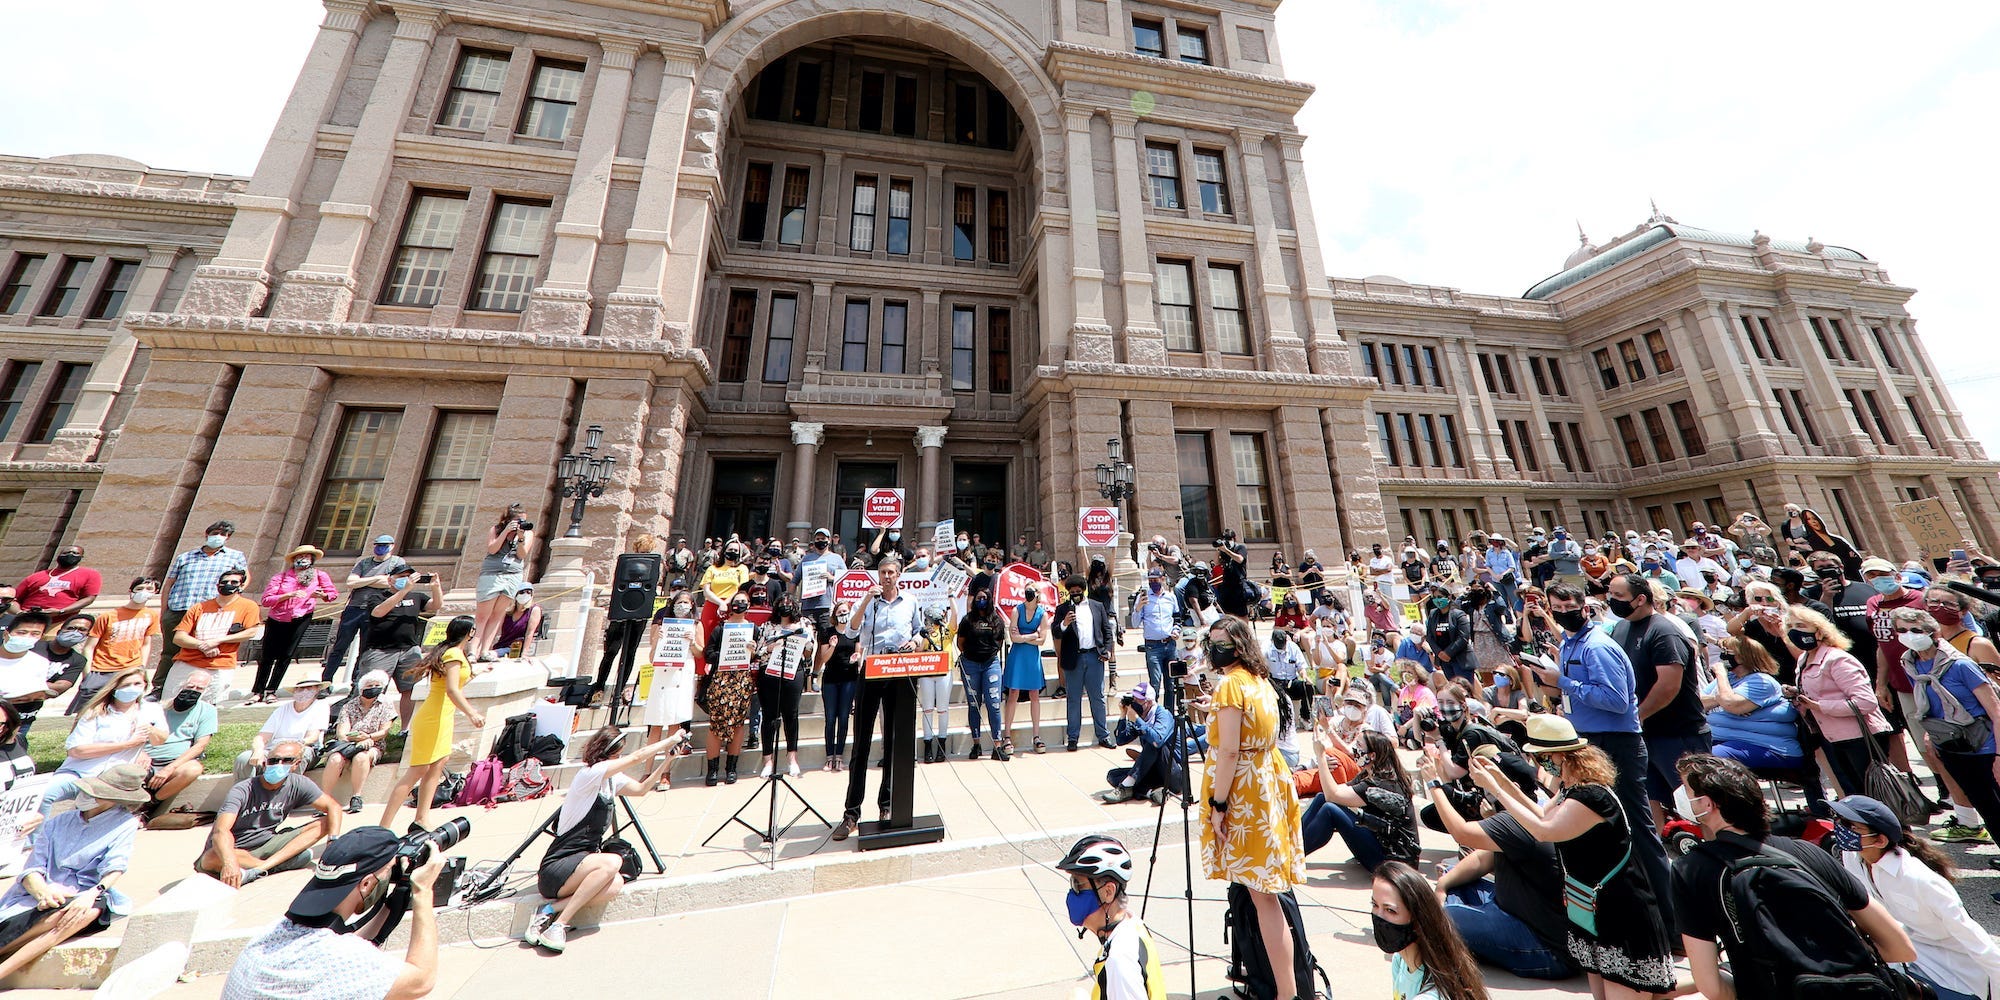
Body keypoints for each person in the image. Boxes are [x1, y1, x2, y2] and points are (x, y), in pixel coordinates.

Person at [1669, 755, 1916, 1000]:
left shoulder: (1691, 869)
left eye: (1689, 791)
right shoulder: (1808, 853)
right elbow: (1900, 948)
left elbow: (1711, 986)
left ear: (1707, 804)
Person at [1475, 715, 1675, 999]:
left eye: (1542, 757)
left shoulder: (1592, 797)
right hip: (1591, 909)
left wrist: (1496, 789)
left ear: (1561, 757)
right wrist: (1502, 782)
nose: (1538, 764)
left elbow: (1544, 831)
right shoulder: (1570, 790)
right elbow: (1540, 814)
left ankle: (1720, 985)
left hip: (1620, 912)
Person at [1200, 617, 1306, 1000]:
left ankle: (1285, 992)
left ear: (1238, 645)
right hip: (1267, 781)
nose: (1215, 649)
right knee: (1267, 894)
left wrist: (1218, 803)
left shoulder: (1230, 685)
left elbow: (1229, 750)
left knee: (1264, 897)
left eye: (1221, 642)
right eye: (1211, 641)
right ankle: (1287, 988)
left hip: (1244, 794)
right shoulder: (1259, 680)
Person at [220, 825, 444, 1000]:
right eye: (388, 871)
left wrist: (396, 898)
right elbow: (421, 980)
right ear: (366, 884)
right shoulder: (343, 956)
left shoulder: (270, 934)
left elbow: (341, 952)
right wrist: (423, 890)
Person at [1418, 752, 1574, 980]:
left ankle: (1453, 930)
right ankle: (1459, 923)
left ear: (1511, 787)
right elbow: (1483, 859)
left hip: (1545, 949)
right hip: (1514, 911)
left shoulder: (1517, 821)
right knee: (1452, 880)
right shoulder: (1537, 813)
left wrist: (1434, 784)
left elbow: (1461, 832)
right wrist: (1442, 886)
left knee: (1439, 915)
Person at [525, 727, 681, 954]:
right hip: (558, 867)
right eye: (617, 754)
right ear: (607, 752)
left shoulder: (611, 780)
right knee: (612, 862)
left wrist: (667, 760)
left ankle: (548, 910)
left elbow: (640, 789)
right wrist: (670, 740)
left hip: (582, 864)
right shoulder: (590, 774)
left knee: (616, 882)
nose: (619, 758)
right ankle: (559, 924)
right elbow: (638, 757)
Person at [1832, 795, 2000, 1000]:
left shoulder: (1921, 880)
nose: (1840, 828)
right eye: (1838, 820)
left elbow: (1977, 942)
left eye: (1851, 826)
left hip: (1950, 973)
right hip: (1898, 961)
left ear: (1880, 840)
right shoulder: (1853, 857)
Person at [0, 763, 148, 981]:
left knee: (85, 913)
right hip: (40, 894)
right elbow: (32, 868)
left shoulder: (124, 824)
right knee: (58, 912)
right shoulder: (59, 822)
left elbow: (116, 866)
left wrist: (92, 894)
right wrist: (43, 892)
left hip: (84, 894)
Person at [1606, 572, 1709, 825]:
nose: (1612, 600)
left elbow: (1667, 686)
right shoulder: (1621, 628)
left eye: (1619, 596)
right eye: (1610, 594)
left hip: (1678, 734)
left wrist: (1638, 715)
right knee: (1649, 800)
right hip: (1644, 734)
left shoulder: (1664, 632)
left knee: (1698, 805)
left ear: (1640, 599)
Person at [832, 557, 924, 841]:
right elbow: (850, 631)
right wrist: (863, 601)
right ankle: (851, 813)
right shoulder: (869, 601)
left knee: (894, 742)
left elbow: (919, 632)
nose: (886, 577)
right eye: (882, 572)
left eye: (891, 573)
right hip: (871, 672)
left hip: (899, 671)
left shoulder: (910, 601)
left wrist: (916, 642)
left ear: (898, 576)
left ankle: (887, 806)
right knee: (861, 744)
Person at [1895, 607, 2000, 840]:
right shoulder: (1910, 663)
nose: (1909, 634)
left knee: (1996, 802)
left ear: (1933, 633)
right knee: (1984, 804)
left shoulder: (1960, 665)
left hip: (1984, 746)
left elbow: (1996, 711)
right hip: (1950, 744)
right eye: (1902, 630)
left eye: (1915, 630)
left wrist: (1999, 757)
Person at [380, 617, 486, 833]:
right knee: (417, 770)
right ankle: (384, 826)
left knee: (436, 766)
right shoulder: (454, 654)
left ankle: (422, 817)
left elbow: (453, 684)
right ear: (470, 632)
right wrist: (472, 713)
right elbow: (451, 690)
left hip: (442, 716)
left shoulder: (453, 653)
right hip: (434, 717)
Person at [197, 738, 342, 886]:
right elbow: (221, 831)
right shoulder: (243, 789)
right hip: (234, 848)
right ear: (266, 763)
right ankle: (280, 863)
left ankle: (259, 869)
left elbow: (333, 807)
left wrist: (332, 842)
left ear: (296, 764)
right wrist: (229, 862)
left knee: (325, 823)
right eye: (274, 760)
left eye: (286, 760)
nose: (278, 764)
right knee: (211, 857)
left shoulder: (298, 783)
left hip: (268, 843)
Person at [1784, 604, 1892, 796]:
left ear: (1819, 631)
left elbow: (1866, 702)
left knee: (1875, 792)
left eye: (1801, 625)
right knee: (1853, 790)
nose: (1794, 630)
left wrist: (1820, 706)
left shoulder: (1837, 659)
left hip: (1859, 737)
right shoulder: (1803, 659)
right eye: (1790, 626)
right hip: (1830, 736)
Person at [33, 667, 166, 818]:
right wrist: (127, 745)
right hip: (79, 773)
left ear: (145, 685)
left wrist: (150, 731)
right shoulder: (95, 711)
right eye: (125, 685)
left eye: (137, 684)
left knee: (89, 817)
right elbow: (77, 750)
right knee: (43, 795)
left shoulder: (151, 710)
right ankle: (35, 841)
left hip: (113, 781)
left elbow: (160, 740)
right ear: (114, 688)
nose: (132, 689)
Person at [1705, 636, 1822, 808]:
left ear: (1744, 656)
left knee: (1708, 760)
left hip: (1771, 748)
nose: (1723, 657)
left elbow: (1732, 704)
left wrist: (1721, 677)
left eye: (1728, 652)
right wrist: (1720, 697)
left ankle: (1739, 811)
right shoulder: (1730, 680)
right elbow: (1698, 701)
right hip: (1734, 741)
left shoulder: (1761, 681)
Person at [1055, 835, 1167, 1000]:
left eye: (1078, 885)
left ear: (1108, 892)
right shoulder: (1131, 923)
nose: (1072, 893)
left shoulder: (1120, 961)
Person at [1370, 861, 1493, 1000]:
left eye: (1390, 910)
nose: (1379, 917)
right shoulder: (1401, 960)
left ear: (1417, 917)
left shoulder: (1430, 995)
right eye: (1374, 904)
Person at [1302, 727, 1418, 870]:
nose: (1354, 749)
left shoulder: (1380, 783)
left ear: (1372, 755)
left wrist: (1320, 757)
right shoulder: (1369, 774)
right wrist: (1325, 764)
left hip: (1394, 862)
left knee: (1330, 810)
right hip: (1379, 842)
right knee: (1321, 798)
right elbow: (1332, 793)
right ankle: (1292, 847)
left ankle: (1293, 857)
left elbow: (1333, 795)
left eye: (1359, 745)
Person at [156, 520, 249, 687]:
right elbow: (169, 583)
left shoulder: (235, 556)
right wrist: (164, 611)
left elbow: (244, 578)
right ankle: (160, 686)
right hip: (180, 607)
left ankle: (193, 687)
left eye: (223, 534)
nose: (218, 537)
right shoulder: (185, 557)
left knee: (203, 650)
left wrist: (233, 598)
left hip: (209, 612)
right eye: (215, 533)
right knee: (170, 651)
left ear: (228, 538)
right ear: (207, 534)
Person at [166, 566, 263, 705]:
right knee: (170, 703)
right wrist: (202, 645)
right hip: (187, 663)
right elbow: (179, 637)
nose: (228, 585)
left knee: (207, 707)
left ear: (241, 586)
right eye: (224, 582)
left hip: (220, 666)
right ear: (217, 585)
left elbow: (251, 632)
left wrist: (218, 641)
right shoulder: (199, 607)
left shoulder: (248, 606)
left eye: (234, 582)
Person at [360, 565, 442, 730]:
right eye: (401, 576)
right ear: (390, 579)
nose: (405, 578)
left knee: (410, 690)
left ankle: (405, 728)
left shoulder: (417, 596)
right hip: (380, 650)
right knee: (373, 690)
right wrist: (403, 591)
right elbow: (378, 612)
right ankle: (366, 728)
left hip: (409, 650)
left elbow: (436, 605)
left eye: (408, 576)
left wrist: (436, 587)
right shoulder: (376, 596)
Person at [253, 544, 338, 703]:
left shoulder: (319, 575)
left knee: (286, 655)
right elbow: (266, 600)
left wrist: (322, 595)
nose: (302, 559)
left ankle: (272, 690)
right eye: (299, 557)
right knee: (267, 656)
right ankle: (258, 690)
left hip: (301, 617)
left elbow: (332, 594)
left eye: (306, 557)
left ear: (312, 559)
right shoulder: (281, 577)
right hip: (277, 618)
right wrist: (288, 595)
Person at [322, 535, 407, 685]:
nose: (380, 547)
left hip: (374, 610)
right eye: (378, 544)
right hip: (353, 608)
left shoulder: (397, 562)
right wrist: (376, 579)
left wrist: (364, 581)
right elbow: (351, 583)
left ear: (392, 546)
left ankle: (357, 681)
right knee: (339, 647)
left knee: (365, 649)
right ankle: (326, 681)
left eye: (384, 545)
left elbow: (393, 583)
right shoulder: (364, 563)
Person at [73, 578, 161, 709]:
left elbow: (146, 643)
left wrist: (141, 667)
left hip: (130, 669)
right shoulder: (108, 616)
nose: (144, 592)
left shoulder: (151, 615)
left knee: (125, 709)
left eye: (149, 589)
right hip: (102, 669)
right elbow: (89, 647)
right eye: (139, 589)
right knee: (87, 710)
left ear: (155, 592)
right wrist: (87, 674)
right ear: (131, 591)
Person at [699, 595, 758, 786]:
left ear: (748, 606)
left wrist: (752, 650)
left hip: (742, 680)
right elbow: (709, 653)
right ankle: (712, 770)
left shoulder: (753, 629)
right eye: (737, 600)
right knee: (716, 725)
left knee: (738, 724)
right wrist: (724, 654)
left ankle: (731, 768)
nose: (740, 604)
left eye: (744, 601)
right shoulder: (721, 628)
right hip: (721, 679)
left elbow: (756, 657)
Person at [755, 600, 814, 778]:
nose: (785, 605)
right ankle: (768, 760)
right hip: (769, 672)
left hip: (794, 671)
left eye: (789, 602)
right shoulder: (767, 625)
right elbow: (758, 651)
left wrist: (805, 645)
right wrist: (769, 648)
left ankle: (792, 758)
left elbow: (810, 650)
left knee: (791, 715)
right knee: (769, 716)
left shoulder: (804, 624)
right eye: (782, 602)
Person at [323, 671, 396, 814]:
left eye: (377, 685)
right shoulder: (349, 706)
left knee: (361, 757)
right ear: (362, 688)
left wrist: (369, 737)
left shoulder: (385, 703)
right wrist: (354, 738)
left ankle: (356, 796)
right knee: (335, 759)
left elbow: (384, 731)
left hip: (373, 744)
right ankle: (324, 798)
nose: (374, 688)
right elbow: (341, 732)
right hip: (349, 744)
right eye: (370, 685)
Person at [1056, 576, 1115, 752]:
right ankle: (1073, 737)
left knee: (1097, 698)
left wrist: (1108, 650)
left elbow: (1107, 631)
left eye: (1078, 592)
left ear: (1084, 590)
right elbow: (1055, 631)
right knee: (1073, 699)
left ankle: (1103, 735)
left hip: (1094, 657)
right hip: (1074, 659)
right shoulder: (1062, 609)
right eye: (1072, 592)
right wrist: (1064, 623)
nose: (1075, 594)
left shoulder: (1096, 606)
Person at [473, 503, 535, 661]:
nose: (521, 524)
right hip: (492, 573)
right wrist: (506, 531)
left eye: (524, 521)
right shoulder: (496, 530)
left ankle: (485, 651)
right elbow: (492, 549)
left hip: (512, 574)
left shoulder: (527, 534)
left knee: (498, 614)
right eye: (518, 521)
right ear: (508, 520)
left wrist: (520, 537)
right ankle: (473, 651)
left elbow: (522, 554)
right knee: (483, 615)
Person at [237, 678, 331, 781]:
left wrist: (288, 749)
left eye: (309, 688)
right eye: (301, 688)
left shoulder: (321, 707)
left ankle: (288, 792)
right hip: (273, 749)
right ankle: (245, 794)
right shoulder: (281, 710)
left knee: (296, 756)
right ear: (295, 691)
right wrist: (258, 750)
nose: (304, 691)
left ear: (317, 690)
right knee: (243, 759)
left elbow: (312, 737)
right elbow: (261, 737)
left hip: (302, 747)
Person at [147, 671, 218, 806]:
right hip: (148, 758)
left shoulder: (207, 711)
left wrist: (169, 768)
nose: (193, 691)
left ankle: (150, 804)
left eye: (199, 689)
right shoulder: (158, 707)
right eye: (190, 686)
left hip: (176, 762)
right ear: (180, 685)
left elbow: (200, 745)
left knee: (193, 769)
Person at [1105, 683, 1183, 804]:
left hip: (1172, 772)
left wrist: (1137, 720)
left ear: (1149, 702)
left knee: (1154, 743)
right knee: (1113, 775)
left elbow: (1157, 740)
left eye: (1138, 700)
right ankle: (1151, 792)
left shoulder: (1163, 714)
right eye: (1133, 699)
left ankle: (1126, 787)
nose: (1135, 702)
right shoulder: (1140, 716)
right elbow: (1120, 740)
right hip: (1152, 771)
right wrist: (1123, 715)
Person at [958, 575, 1007, 761]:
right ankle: (976, 744)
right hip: (970, 663)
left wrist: (987, 653)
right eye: (978, 598)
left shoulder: (996, 620)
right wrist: (973, 654)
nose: (981, 601)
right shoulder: (967, 620)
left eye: (984, 598)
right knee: (974, 704)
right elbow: (960, 642)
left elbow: (999, 642)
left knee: (994, 703)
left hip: (990, 663)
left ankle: (997, 745)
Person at [1000, 584, 1049, 759]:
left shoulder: (1042, 613)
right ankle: (1006, 735)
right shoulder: (1017, 610)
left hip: (1032, 657)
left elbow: (1042, 640)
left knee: (1034, 694)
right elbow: (1014, 637)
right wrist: (1031, 636)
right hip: (1018, 655)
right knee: (1013, 693)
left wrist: (1023, 637)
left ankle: (1036, 735)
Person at [818, 602, 861, 772]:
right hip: (830, 680)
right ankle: (829, 757)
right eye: (840, 611)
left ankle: (840, 756)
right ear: (835, 614)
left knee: (844, 718)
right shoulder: (827, 632)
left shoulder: (854, 632)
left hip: (849, 679)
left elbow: (858, 653)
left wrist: (856, 657)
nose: (843, 614)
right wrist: (832, 646)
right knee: (830, 719)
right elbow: (824, 658)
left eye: (846, 611)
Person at [13, 542, 101, 618]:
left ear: (81, 557)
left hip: (60, 621)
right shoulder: (37, 576)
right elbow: (13, 599)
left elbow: (89, 598)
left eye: (75, 553)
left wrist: (61, 611)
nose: (70, 555)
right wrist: (19, 613)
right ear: (58, 556)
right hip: (26, 618)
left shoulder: (89, 574)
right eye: (66, 553)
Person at [1132, 568, 1180, 697]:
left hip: (1170, 644)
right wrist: (1138, 608)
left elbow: (1177, 618)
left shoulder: (1171, 597)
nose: (1153, 582)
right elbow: (1135, 623)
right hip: (1153, 646)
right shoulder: (1143, 597)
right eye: (1150, 580)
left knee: (1171, 684)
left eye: (1155, 579)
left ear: (1162, 579)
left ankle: (1169, 714)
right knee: (1155, 683)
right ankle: (1153, 713)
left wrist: (1176, 630)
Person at [1424, 584, 1475, 685]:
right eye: (1434, 598)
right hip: (1444, 660)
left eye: (1440, 597)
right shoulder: (1433, 614)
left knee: (1465, 689)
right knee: (1453, 690)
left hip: (1460, 659)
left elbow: (1463, 637)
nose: (1437, 600)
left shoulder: (1458, 614)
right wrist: (1439, 653)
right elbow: (1429, 637)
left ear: (1448, 597)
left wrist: (1448, 653)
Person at [491, 582, 542, 659]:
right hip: (501, 645)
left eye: (528, 592)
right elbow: (496, 630)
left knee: (491, 654)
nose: (525, 594)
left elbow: (529, 633)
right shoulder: (508, 612)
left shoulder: (534, 610)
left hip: (515, 648)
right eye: (522, 592)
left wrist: (524, 653)